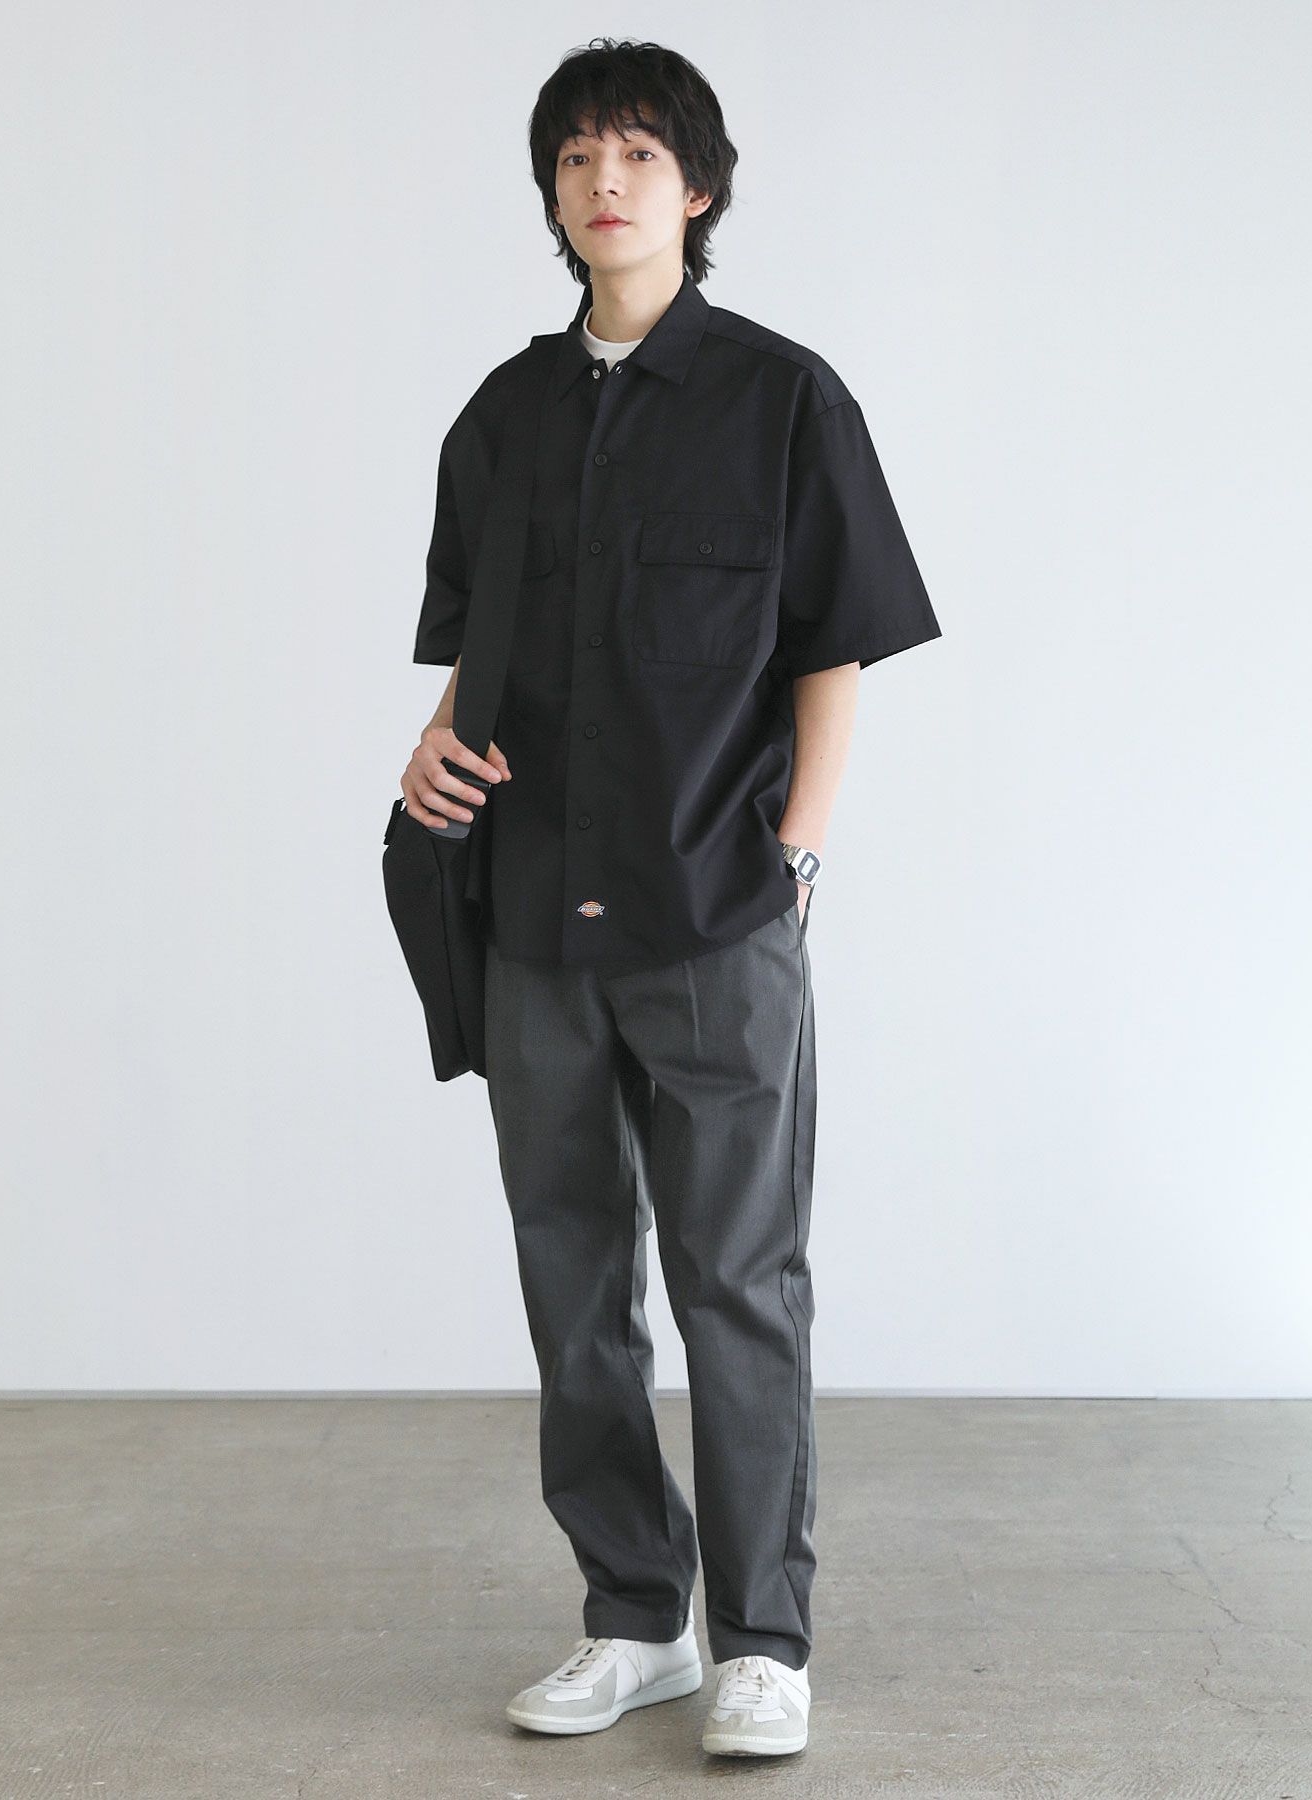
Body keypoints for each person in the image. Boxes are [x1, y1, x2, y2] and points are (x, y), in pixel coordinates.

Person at [399, 36, 941, 1760]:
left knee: (738, 1282)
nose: (605, 181)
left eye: (638, 152)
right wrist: (429, 751)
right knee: (572, 1280)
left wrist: (798, 858)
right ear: (553, 198)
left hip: (715, 914)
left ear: (697, 189)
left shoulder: (784, 400)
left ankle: (762, 1640)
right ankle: (635, 1616)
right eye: (576, 157)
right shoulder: (502, 416)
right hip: (532, 919)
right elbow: (479, 646)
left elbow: (835, 646)